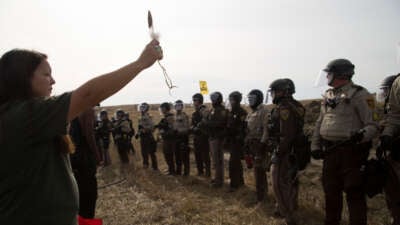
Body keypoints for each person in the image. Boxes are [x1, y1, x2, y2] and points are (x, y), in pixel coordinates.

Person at [0, 40, 162, 224]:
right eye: (46, 74)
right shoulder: (23, 116)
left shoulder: (21, 116)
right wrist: (141, 63)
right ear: (22, 78)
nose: (53, 81)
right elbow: (88, 95)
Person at [310, 58, 378, 225]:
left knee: (354, 193)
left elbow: (373, 125)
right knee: (331, 192)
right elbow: (320, 122)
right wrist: (315, 145)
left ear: (341, 75)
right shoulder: (328, 95)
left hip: (351, 153)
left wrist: (361, 136)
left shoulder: (360, 95)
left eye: (330, 74)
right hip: (330, 153)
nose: (327, 78)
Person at [267, 79, 305, 225]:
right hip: (295, 150)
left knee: (278, 182)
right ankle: (287, 208)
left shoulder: (285, 108)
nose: (272, 95)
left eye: (274, 91)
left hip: (285, 151)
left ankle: (287, 215)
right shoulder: (296, 105)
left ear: (284, 91)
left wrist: (278, 152)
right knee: (291, 181)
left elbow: (287, 134)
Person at [69, 108, 102, 219]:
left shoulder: (74, 111)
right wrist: (97, 155)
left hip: (74, 160)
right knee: (88, 201)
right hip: (84, 161)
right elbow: (89, 134)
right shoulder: (88, 109)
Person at [378, 74, 400, 225]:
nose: (384, 95)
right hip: (393, 154)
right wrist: (386, 136)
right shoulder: (390, 110)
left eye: (386, 91)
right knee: (393, 193)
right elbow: (393, 119)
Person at [244, 89, 270, 202]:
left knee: (260, 170)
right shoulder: (251, 112)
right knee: (255, 169)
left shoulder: (264, 111)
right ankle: (259, 193)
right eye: (249, 99)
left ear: (258, 99)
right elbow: (248, 129)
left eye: (252, 99)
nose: (250, 101)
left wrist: (262, 144)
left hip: (259, 143)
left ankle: (262, 195)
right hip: (252, 143)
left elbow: (266, 130)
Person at [202, 92, 228, 187]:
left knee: (218, 160)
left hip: (217, 137)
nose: (212, 100)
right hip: (212, 136)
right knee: (214, 160)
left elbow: (219, 123)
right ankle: (216, 178)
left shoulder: (221, 110)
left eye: (214, 98)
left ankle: (219, 181)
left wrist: (207, 122)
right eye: (212, 98)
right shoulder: (213, 109)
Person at [225, 91, 247, 191]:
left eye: (232, 99)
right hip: (231, 140)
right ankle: (240, 181)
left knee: (233, 162)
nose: (231, 101)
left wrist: (238, 136)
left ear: (237, 100)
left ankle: (234, 184)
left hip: (238, 141)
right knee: (236, 162)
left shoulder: (242, 112)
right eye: (230, 99)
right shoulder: (231, 112)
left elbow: (242, 128)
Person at [191, 93, 211, 177]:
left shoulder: (204, 110)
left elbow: (206, 121)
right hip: (197, 136)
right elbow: (192, 123)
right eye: (193, 100)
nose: (193, 102)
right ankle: (200, 171)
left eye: (195, 100)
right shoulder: (195, 112)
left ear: (199, 101)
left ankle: (207, 172)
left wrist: (198, 127)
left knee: (205, 155)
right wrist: (192, 128)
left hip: (203, 136)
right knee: (197, 154)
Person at [136, 102, 158, 170]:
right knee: (144, 152)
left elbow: (152, 127)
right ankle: (145, 164)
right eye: (141, 107)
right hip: (143, 137)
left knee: (151, 152)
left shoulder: (149, 117)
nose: (142, 109)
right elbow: (140, 127)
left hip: (148, 136)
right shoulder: (140, 118)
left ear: (147, 109)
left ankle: (155, 167)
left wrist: (145, 129)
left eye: (143, 107)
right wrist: (138, 133)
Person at [156, 102, 176, 175]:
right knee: (166, 154)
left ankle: (172, 171)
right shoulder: (165, 117)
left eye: (162, 108)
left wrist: (164, 132)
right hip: (166, 139)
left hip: (170, 139)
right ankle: (170, 169)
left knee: (169, 155)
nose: (161, 110)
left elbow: (172, 129)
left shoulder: (170, 117)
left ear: (165, 109)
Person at [173, 100, 191, 176]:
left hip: (183, 137)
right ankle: (178, 171)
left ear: (182, 106)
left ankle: (186, 172)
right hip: (176, 137)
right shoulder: (175, 116)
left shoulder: (185, 116)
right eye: (176, 106)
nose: (178, 107)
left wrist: (179, 131)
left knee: (184, 156)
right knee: (177, 155)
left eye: (179, 106)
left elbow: (187, 128)